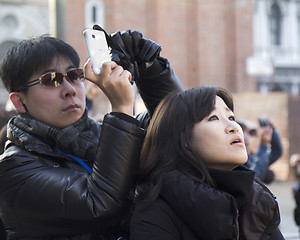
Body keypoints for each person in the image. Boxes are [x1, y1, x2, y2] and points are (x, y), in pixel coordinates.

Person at [0, 28, 182, 239]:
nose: (70, 89)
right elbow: (98, 203)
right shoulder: (13, 170)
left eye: (74, 75)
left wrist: (150, 67)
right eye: (51, 79)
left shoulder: (102, 134)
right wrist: (122, 106)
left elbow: (177, 126)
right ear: (19, 102)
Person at [130, 86, 283, 240]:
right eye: (213, 118)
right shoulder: (156, 214)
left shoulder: (256, 203)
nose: (233, 128)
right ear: (184, 141)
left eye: (231, 117)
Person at [238, 118, 283, 184]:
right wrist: (263, 146)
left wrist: (272, 131)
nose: (245, 136)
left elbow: (276, 152)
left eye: (248, 133)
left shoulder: (251, 158)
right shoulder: (235, 161)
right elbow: (253, 178)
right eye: (241, 132)